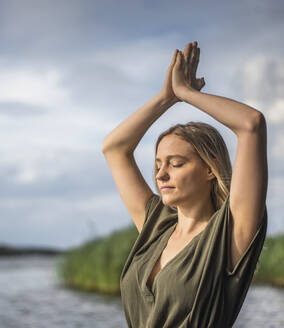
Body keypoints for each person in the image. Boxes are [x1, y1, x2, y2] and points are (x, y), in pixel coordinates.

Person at [101, 41, 268, 327]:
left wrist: (187, 94)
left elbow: (251, 124)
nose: (161, 174)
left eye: (176, 164)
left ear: (209, 169)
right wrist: (167, 97)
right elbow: (114, 148)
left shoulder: (230, 232)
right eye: (157, 165)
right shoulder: (157, 225)